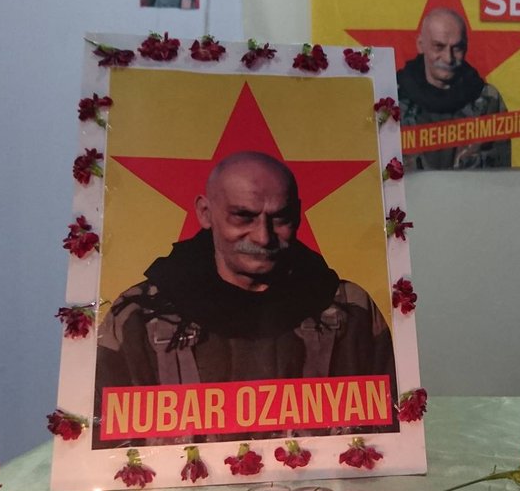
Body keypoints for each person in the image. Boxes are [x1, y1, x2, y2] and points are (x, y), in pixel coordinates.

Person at [95, 152, 396, 436]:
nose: (263, 237)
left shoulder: (352, 312)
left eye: (280, 218)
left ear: (297, 215)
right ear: (205, 213)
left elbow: (393, 433)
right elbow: (104, 442)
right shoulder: (136, 319)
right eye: (243, 216)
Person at [396, 7, 510, 170]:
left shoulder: (488, 101)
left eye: (457, 48)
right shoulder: (391, 99)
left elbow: (500, 175)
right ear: (421, 45)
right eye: (438, 46)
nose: (448, 58)